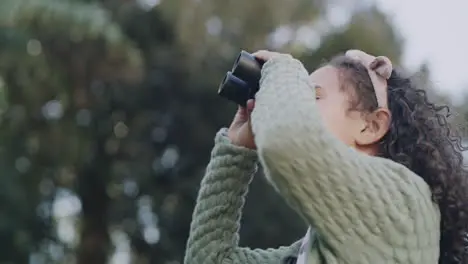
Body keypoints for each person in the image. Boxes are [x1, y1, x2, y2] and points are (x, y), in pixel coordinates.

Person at [183, 49, 468, 264]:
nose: (297, 102)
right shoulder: (313, 250)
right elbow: (209, 258)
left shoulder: (405, 202)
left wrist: (284, 67)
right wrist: (236, 151)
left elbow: (287, 140)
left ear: (371, 125)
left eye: (313, 95)